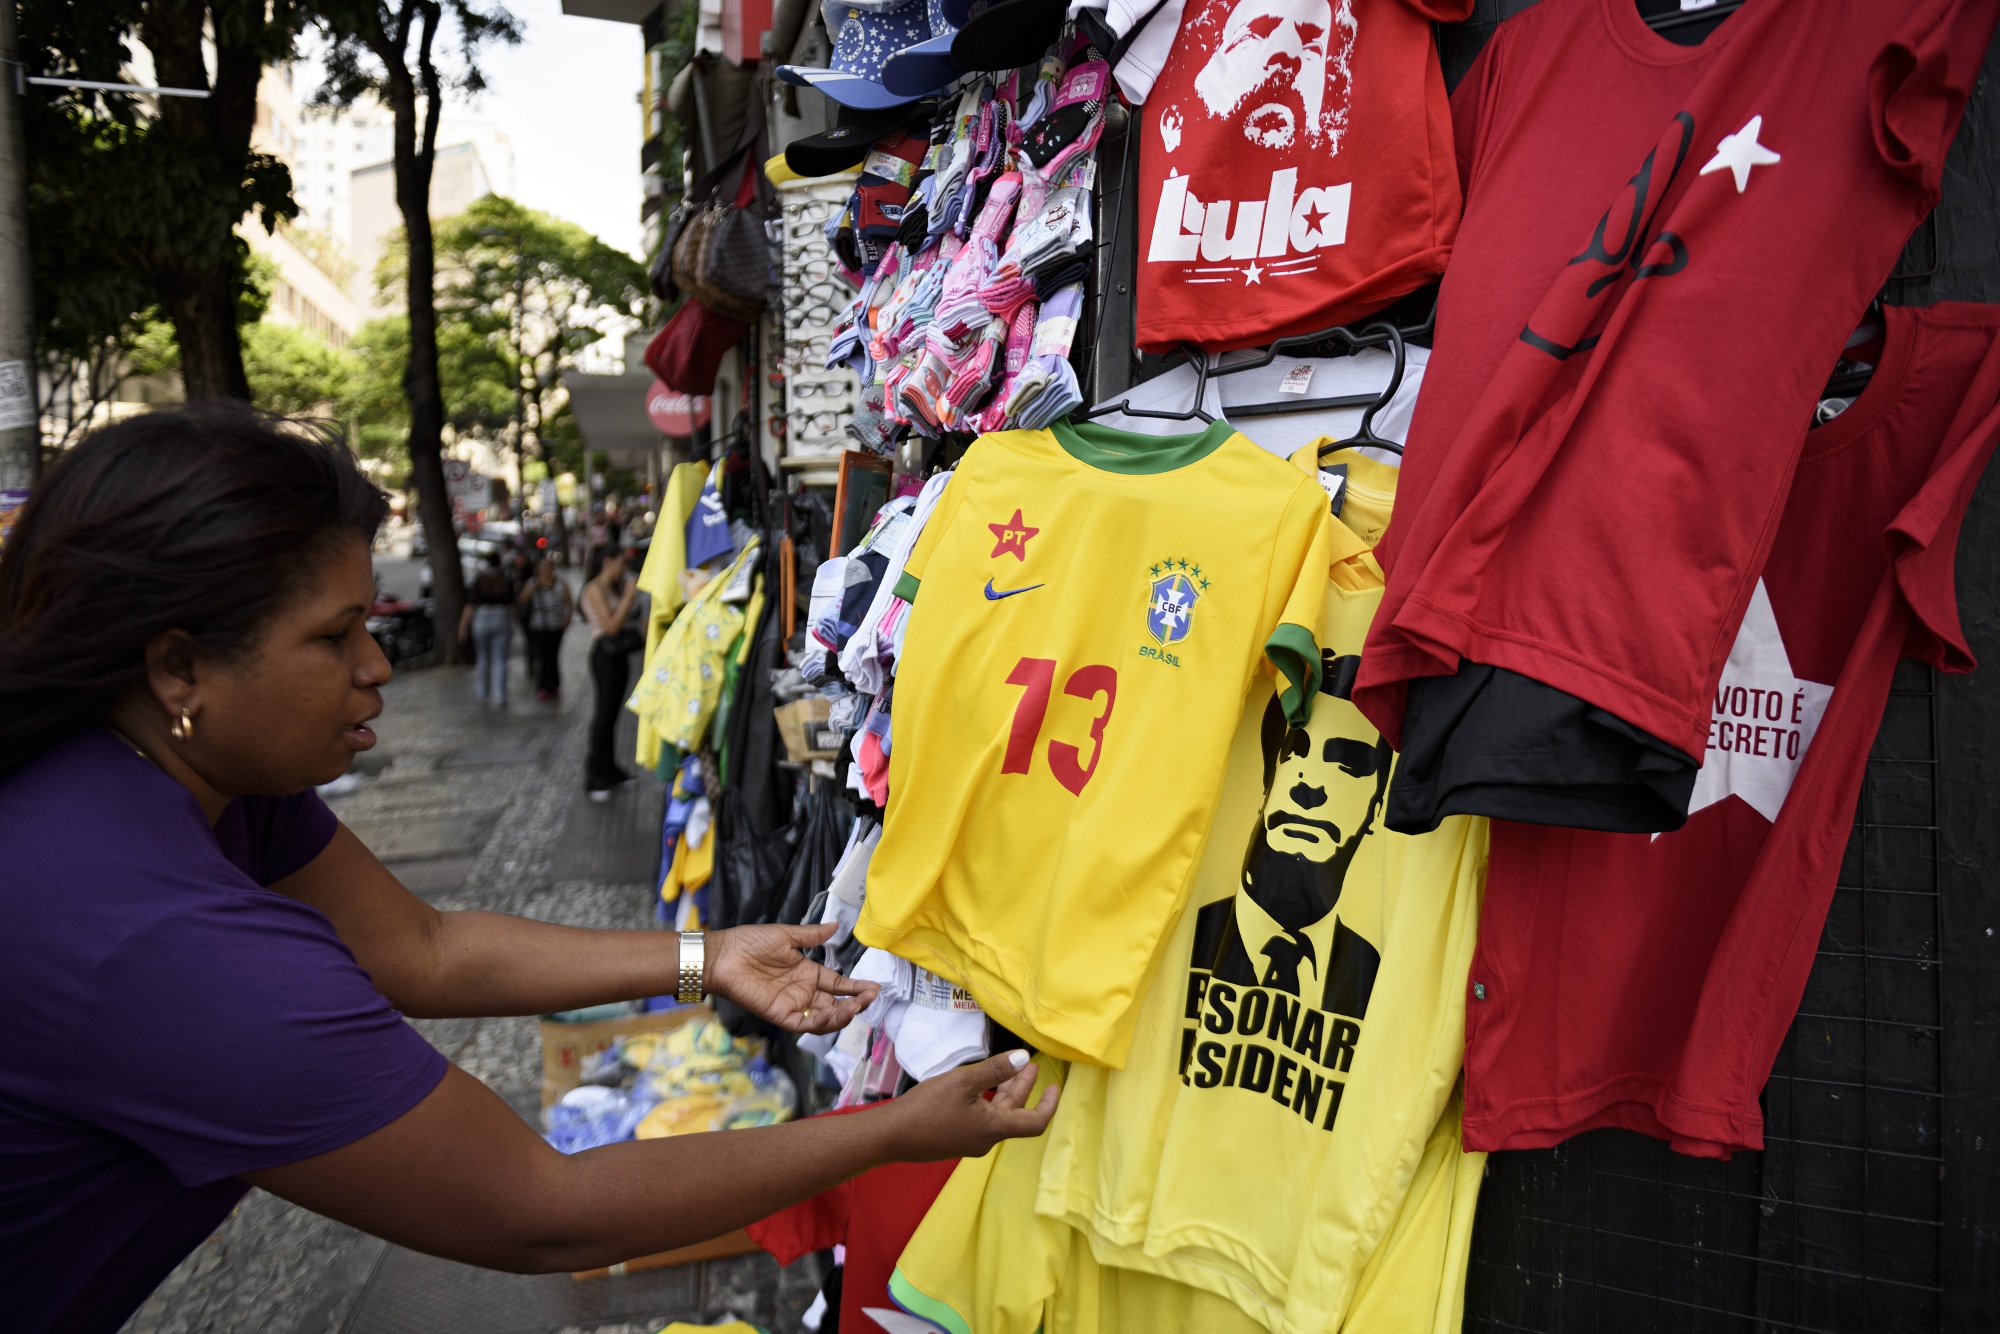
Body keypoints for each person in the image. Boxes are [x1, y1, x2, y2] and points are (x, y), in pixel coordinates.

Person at [0, 405, 1057, 1334]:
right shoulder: (153, 938)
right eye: (335, 636)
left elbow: (429, 950)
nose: (377, 665)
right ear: (178, 665)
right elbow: (543, 1212)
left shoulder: (193, 776)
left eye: (369, 622)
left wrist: (708, 956)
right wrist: (891, 1131)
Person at [581, 546, 640, 799]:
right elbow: (611, 627)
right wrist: (628, 596)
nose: (624, 568)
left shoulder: (611, 588)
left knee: (612, 714)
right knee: (603, 715)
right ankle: (595, 775)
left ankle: (610, 769)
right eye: (621, 563)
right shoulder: (593, 589)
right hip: (604, 655)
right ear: (608, 562)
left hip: (618, 656)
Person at [461, 551, 517, 707]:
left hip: (482, 617)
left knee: (483, 657)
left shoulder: (480, 579)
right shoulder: (506, 579)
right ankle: (500, 696)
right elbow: (513, 605)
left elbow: (470, 605)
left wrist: (463, 626)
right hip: (502, 616)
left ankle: (482, 692)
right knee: (500, 659)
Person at [518, 556, 574, 701]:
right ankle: (543, 686)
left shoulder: (561, 583)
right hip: (539, 626)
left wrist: (567, 618)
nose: (546, 570)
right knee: (542, 657)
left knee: (553, 656)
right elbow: (523, 600)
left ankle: (553, 684)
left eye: (548, 567)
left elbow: (569, 603)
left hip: (556, 625)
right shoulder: (532, 583)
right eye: (543, 567)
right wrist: (532, 589)